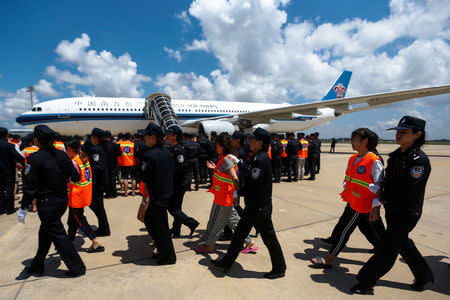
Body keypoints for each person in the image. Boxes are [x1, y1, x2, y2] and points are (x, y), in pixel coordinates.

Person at [352, 116, 435, 294]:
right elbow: (386, 183)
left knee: (387, 250)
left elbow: (408, 191)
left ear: (417, 135)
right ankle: (424, 275)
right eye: (397, 131)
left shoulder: (418, 160)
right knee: (403, 243)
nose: (398, 135)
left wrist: (382, 195)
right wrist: (377, 203)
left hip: (405, 213)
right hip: (392, 209)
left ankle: (365, 282)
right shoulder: (397, 156)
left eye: (404, 132)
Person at [211, 128, 286, 279]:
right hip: (253, 207)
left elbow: (252, 185)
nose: (249, 141)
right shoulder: (259, 157)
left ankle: (279, 268)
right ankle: (226, 262)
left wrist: (239, 189)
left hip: (258, 208)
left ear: (259, 142)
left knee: (269, 238)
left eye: (252, 139)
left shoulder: (260, 160)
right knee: (238, 235)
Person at [17, 125, 86, 277]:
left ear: (36, 140)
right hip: (61, 201)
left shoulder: (34, 158)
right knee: (45, 232)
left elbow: (29, 188)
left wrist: (23, 209)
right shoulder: (62, 156)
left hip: (47, 204)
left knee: (60, 237)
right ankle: (37, 265)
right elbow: (75, 176)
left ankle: (77, 268)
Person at [311, 128, 385, 268]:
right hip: (352, 201)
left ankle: (329, 258)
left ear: (365, 141)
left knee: (345, 231)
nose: (352, 142)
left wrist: (376, 207)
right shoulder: (353, 158)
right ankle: (384, 250)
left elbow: (379, 187)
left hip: (362, 204)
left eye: (354, 139)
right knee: (366, 228)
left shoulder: (374, 161)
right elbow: (349, 177)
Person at [195, 133, 256, 254]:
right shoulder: (228, 157)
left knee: (216, 222)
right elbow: (226, 175)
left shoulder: (227, 159)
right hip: (225, 197)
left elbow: (234, 177)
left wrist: (236, 195)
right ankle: (248, 241)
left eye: (216, 145)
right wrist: (215, 168)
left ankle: (209, 245)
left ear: (222, 145)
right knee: (234, 220)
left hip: (224, 198)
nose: (215, 147)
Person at [140, 123, 176, 265]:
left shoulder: (148, 155)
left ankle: (168, 256)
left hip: (156, 195)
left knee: (161, 227)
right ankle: (162, 249)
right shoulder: (167, 151)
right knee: (150, 220)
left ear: (153, 137)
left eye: (146, 136)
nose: (144, 138)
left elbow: (144, 177)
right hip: (166, 192)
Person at [66, 139, 104, 253]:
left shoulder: (74, 162)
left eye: (66, 150)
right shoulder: (84, 158)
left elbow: (73, 178)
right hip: (84, 193)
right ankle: (70, 238)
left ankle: (95, 241)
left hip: (76, 195)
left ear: (70, 150)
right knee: (72, 219)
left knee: (80, 220)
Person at [165, 126, 200, 237]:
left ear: (175, 136)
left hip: (179, 183)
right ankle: (176, 230)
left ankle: (191, 223)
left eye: (169, 134)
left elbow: (182, 168)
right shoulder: (174, 148)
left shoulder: (178, 149)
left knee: (172, 208)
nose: (167, 136)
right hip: (179, 182)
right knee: (177, 207)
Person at [82, 128, 111, 237]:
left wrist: (87, 170)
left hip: (97, 182)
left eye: (91, 137)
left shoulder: (96, 149)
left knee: (96, 205)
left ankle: (104, 229)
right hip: (103, 180)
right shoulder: (103, 147)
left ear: (95, 138)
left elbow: (99, 166)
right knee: (98, 205)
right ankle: (104, 228)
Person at [0, 128, 23, 215]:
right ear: (6, 135)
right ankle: (9, 209)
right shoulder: (9, 146)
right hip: (8, 171)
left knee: (0, 190)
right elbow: (19, 157)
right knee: (9, 190)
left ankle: (1, 209)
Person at [118, 133, 137, 197]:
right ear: (130, 138)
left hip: (124, 163)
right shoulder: (133, 145)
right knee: (133, 178)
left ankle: (126, 193)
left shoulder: (121, 144)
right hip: (132, 163)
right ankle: (133, 192)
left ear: (124, 138)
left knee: (125, 178)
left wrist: (120, 162)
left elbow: (119, 155)